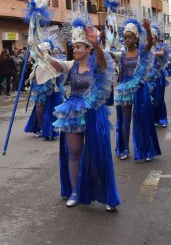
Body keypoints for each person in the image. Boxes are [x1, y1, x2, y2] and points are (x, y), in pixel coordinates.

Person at [46, 16, 119, 210]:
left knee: (99, 153)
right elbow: (54, 63)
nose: (75, 49)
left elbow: (103, 62)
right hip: (73, 111)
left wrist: (96, 44)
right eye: (74, 46)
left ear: (88, 49)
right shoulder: (71, 65)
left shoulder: (97, 63)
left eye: (80, 47)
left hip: (94, 111)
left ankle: (107, 195)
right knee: (74, 153)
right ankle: (75, 192)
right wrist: (39, 50)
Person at [111, 18, 161, 162]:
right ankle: (125, 149)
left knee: (142, 118)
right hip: (125, 88)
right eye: (125, 38)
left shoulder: (141, 52)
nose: (127, 40)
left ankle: (145, 149)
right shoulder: (122, 54)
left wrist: (147, 29)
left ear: (136, 38)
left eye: (130, 37)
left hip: (140, 88)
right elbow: (111, 54)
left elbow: (150, 44)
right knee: (125, 120)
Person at [24, 28, 64, 140]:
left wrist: (34, 46)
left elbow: (43, 55)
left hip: (51, 87)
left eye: (45, 51)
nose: (42, 54)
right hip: (39, 88)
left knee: (51, 109)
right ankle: (42, 128)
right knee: (39, 108)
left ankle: (51, 129)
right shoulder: (38, 62)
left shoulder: (53, 60)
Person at [149, 24, 170, 128]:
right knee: (151, 99)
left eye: (153, 37)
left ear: (156, 38)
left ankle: (162, 119)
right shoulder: (146, 47)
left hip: (159, 76)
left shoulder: (161, 47)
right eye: (150, 37)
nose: (152, 39)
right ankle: (153, 119)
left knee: (159, 98)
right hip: (148, 77)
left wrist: (152, 52)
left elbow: (161, 54)